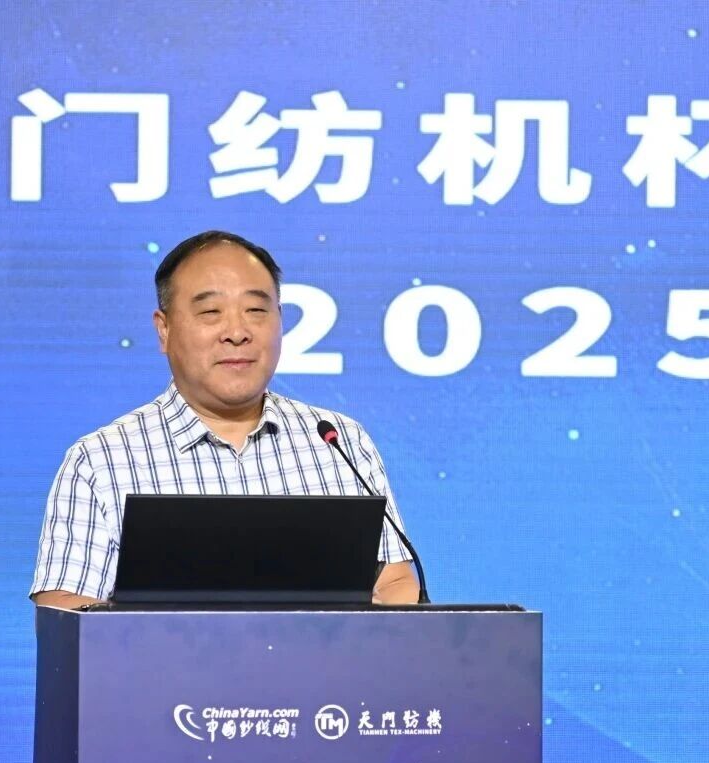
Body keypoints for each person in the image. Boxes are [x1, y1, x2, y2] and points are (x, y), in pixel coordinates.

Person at [30, 230, 420, 609]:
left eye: (256, 311)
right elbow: (64, 605)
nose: (236, 332)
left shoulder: (338, 441)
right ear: (164, 330)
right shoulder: (101, 460)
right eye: (210, 312)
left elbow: (395, 578)